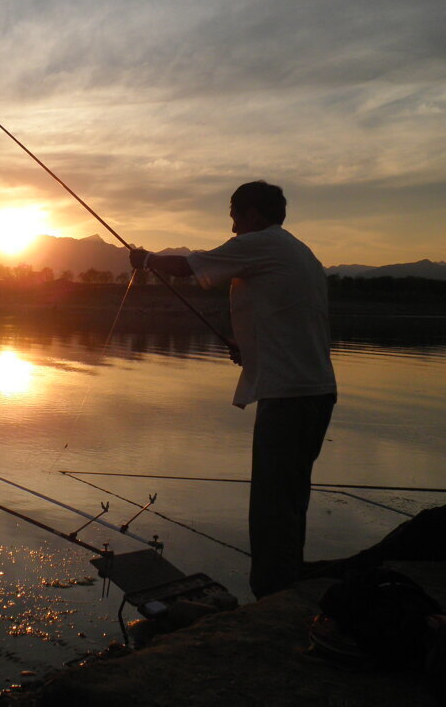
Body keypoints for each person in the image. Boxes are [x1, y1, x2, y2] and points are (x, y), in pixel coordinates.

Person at [129, 180, 337, 598]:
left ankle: (273, 588)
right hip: (315, 390)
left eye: (234, 218)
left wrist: (147, 258)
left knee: (272, 499)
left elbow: (192, 265)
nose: (233, 228)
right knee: (292, 493)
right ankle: (287, 578)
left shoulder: (261, 243)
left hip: (290, 396)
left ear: (253, 215)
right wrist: (253, 350)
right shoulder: (299, 253)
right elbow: (289, 317)